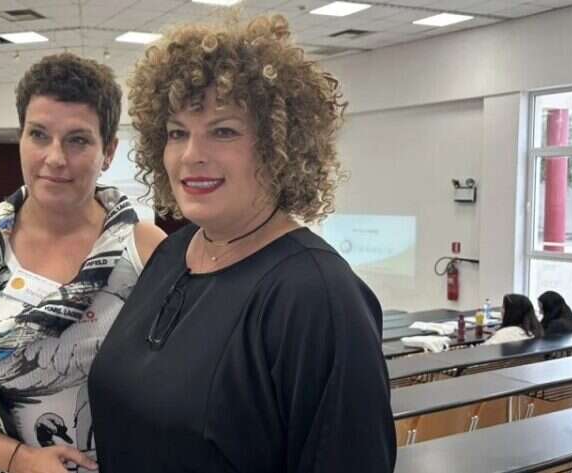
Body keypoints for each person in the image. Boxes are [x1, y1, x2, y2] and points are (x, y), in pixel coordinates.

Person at [88, 15, 396, 472]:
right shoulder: (171, 254)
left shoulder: (317, 296)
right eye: (177, 132)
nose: (192, 154)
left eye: (224, 131)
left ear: (279, 146)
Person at [0, 52, 165, 473]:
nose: (55, 158)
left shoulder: (146, 250)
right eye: (39, 135)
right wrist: (19, 459)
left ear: (108, 151)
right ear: (20, 138)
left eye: (78, 140)